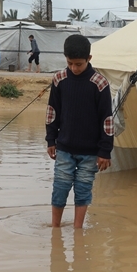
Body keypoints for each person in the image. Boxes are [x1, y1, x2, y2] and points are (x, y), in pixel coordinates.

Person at [45, 34, 113, 229]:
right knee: (60, 188)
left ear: (89, 59)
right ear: (65, 58)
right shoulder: (59, 79)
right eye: (70, 63)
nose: (74, 68)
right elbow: (52, 112)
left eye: (79, 64)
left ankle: (77, 229)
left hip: (90, 152)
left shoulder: (99, 83)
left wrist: (105, 151)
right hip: (64, 148)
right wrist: (51, 140)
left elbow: (107, 120)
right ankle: (55, 228)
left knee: (83, 190)